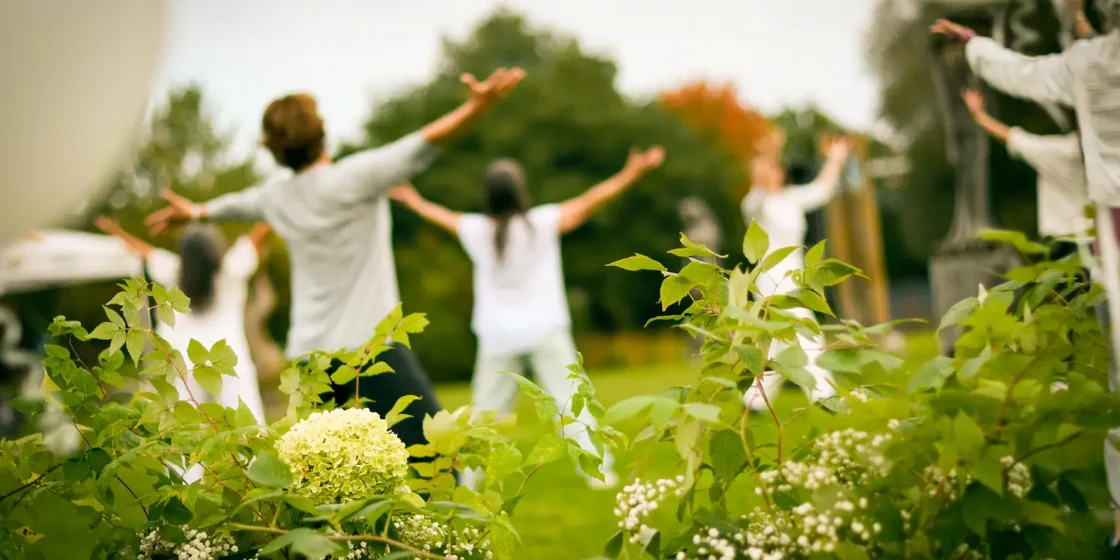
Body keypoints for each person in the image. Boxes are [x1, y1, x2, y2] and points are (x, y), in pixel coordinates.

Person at [144, 68, 525, 451]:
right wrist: (478, 107)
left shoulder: (277, 197)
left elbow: (233, 205)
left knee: (328, 476)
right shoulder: (356, 176)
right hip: (370, 353)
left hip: (310, 361)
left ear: (275, 151)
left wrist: (195, 212)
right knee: (436, 458)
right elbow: (426, 142)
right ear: (322, 135)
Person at [931, 11, 1120, 551]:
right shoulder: (1074, 120)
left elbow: (1019, 88)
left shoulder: (1083, 89)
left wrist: (971, 46)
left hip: (1091, 243)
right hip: (1088, 244)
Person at [388, 146, 666, 489]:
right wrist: (632, 173)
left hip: (496, 337)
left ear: (488, 197)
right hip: (545, 329)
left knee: (484, 416)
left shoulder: (477, 230)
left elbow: (438, 214)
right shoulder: (542, 223)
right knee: (571, 405)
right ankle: (598, 474)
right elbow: (593, 198)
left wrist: (411, 199)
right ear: (521, 192)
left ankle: (468, 483)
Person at [94, 216, 271, 424]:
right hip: (229, 356)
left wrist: (117, 232)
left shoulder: (173, 271)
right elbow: (258, 235)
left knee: (185, 426)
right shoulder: (231, 270)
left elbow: (143, 250)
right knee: (248, 420)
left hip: (185, 361)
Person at [740, 136, 852, 412]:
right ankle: (824, 396)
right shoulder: (754, 203)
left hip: (795, 279)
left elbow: (823, 188)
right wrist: (770, 149)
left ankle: (753, 402)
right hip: (770, 281)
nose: (769, 171)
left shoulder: (792, 199)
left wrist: (836, 158)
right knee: (806, 334)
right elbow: (758, 179)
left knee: (777, 346)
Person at [961, 88, 1093, 263]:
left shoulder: (1064, 152)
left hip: (1067, 241)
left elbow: (1012, 138)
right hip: (1099, 239)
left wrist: (979, 115)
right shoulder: (1101, 153)